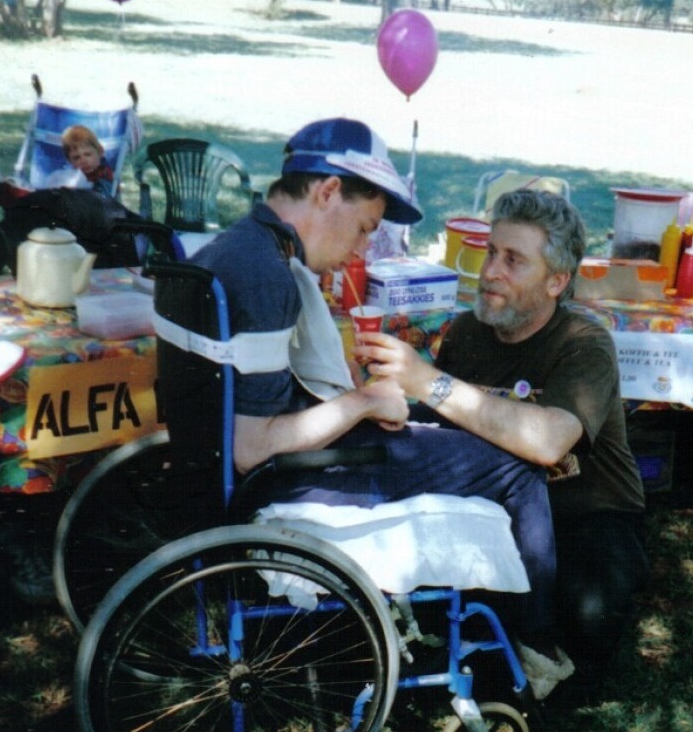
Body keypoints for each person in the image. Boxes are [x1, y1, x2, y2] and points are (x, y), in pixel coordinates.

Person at [189, 117, 573, 700]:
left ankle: (477, 621)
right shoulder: (266, 274)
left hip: (229, 467)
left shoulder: (227, 247)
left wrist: (359, 406)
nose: (363, 248)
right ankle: (533, 648)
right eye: (366, 229)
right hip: (283, 480)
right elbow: (252, 447)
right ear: (326, 192)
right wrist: (363, 400)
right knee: (517, 467)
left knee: (445, 439)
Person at [357, 189, 649, 706]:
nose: (491, 271)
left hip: (586, 513)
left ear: (557, 281)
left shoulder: (584, 343)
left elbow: (548, 441)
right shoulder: (469, 332)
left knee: (587, 618)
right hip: (497, 508)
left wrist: (430, 383)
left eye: (514, 260)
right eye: (492, 252)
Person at [60, 124, 114, 193]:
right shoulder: (72, 177)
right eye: (76, 158)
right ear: (70, 161)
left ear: (100, 152)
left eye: (88, 154)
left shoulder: (106, 174)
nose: (83, 161)